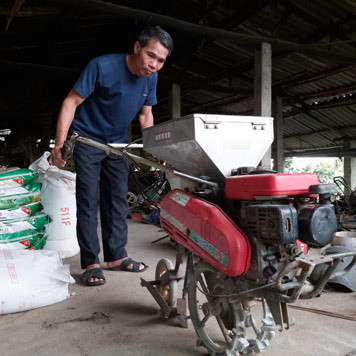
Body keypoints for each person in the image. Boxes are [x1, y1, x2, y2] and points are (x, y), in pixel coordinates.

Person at [49, 26, 173, 286]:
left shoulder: (151, 78)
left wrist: (155, 148)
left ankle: (116, 256)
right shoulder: (102, 66)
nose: (154, 65)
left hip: (118, 145)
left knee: (117, 200)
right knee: (88, 201)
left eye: (161, 60)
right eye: (151, 55)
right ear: (137, 48)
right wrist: (59, 144)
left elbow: (145, 115)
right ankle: (91, 261)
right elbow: (70, 102)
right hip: (87, 139)